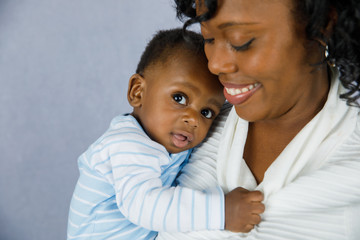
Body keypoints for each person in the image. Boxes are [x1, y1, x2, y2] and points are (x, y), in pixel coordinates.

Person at [156, 0, 360, 239]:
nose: (215, 64)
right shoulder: (186, 128)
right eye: (209, 38)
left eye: (241, 41)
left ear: (322, 24)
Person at [67, 28, 265, 240]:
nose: (193, 119)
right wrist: (222, 211)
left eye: (206, 112)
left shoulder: (167, 141)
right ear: (137, 92)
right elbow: (145, 206)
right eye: (179, 98)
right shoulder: (126, 145)